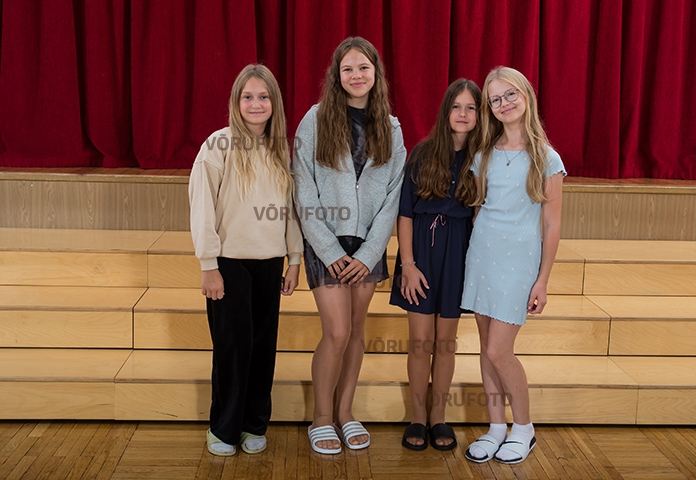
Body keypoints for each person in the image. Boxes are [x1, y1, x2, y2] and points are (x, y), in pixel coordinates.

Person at [293, 36, 406, 455]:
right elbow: (303, 190)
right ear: (336, 75)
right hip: (326, 241)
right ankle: (321, 417)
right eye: (348, 69)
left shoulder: (391, 127)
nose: (356, 75)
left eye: (363, 68)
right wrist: (331, 252)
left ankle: (345, 412)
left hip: (368, 246)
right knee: (337, 331)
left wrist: (370, 252)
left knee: (356, 331)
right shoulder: (315, 119)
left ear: (375, 73)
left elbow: (393, 196)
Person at [188, 64, 302, 457]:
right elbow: (202, 207)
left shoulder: (278, 150)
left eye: (263, 96)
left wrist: (294, 258)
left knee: (262, 348)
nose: (256, 104)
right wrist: (209, 265)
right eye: (248, 96)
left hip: (269, 263)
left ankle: (254, 424)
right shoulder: (218, 145)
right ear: (236, 102)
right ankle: (223, 428)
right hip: (229, 264)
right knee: (232, 350)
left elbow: (289, 210)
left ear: (274, 103)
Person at [462, 66, 566, 465]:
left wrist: (543, 279)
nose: (504, 103)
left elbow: (551, 223)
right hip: (482, 256)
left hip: (519, 261)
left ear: (526, 96)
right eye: (495, 99)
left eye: (510, 95)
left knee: (499, 349)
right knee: (486, 350)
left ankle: (523, 428)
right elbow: (480, 209)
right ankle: (495, 427)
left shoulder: (546, 158)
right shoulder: (483, 154)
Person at [389, 79, 481, 451]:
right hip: (421, 254)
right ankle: (416, 416)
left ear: (480, 115)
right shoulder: (423, 153)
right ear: (446, 111)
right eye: (456, 106)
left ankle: (438, 417)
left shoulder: (482, 159)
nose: (463, 114)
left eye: (471, 108)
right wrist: (408, 265)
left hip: (459, 254)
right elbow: (405, 214)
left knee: (445, 343)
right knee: (420, 341)